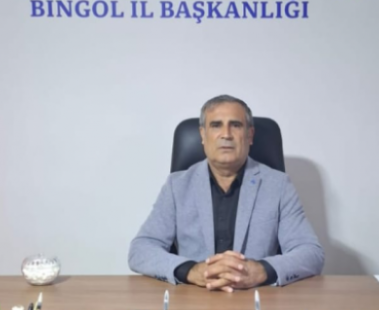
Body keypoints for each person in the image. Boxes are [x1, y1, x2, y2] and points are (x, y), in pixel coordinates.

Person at [128, 95, 324, 291]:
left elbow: (311, 253)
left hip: (256, 296)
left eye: (235, 125)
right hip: (195, 297)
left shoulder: (278, 185)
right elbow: (141, 250)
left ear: (250, 135)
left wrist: (261, 270)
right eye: (216, 125)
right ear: (203, 135)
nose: (226, 134)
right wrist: (192, 271)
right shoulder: (177, 186)